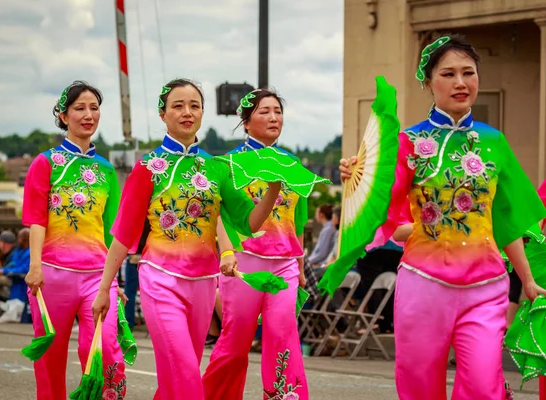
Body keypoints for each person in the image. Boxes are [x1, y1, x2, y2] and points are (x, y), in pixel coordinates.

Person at [340, 34, 546, 400]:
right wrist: (361, 178)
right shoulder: (407, 142)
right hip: (424, 283)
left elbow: (506, 219)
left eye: (468, 73)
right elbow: (386, 209)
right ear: (428, 81)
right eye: (448, 74)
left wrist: (527, 281)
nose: (461, 82)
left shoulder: (494, 142)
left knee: (484, 386)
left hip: (486, 285)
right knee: (420, 386)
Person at [92, 79, 282, 400]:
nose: (187, 112)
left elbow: (248, 223)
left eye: (194, 105)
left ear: (203, 113)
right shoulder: (148, 168)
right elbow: (123, 236)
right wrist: (104, 291)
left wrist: (275, 188)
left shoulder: (217, 167)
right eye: (178, 105)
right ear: (163, 114)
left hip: (205, 285)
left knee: (177, 380)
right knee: (186, 375)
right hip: (160, 281)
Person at [202, 89, 309, 399]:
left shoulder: (291, 163)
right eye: (264, 111)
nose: (274, 117)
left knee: (281, 336)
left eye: (277, 111)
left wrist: (300, 267)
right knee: (235, 343)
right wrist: (226, 253)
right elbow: (218, 216)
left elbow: (297, 221)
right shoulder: (227, 164)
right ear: (246, 122)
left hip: (285, 266)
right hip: (243, 266)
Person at [23, 81, 126, 399]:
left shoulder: (107, 171)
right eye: (80, 108)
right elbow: (36, 219)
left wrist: (115, 281)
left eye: (94, 108)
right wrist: (35, 266)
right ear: (64, 116)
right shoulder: (46, 163)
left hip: (97, 277)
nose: (88, 114)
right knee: (51, 358)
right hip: (53, 275)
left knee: (102, 349)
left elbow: (113, 232)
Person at [0, 227, 31, 323]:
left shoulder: (30, 252)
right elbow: (13, 264)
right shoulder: (19, 251)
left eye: (20, 238)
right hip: (11, 274)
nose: (18, 240)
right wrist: (1, 270)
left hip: (18, 278)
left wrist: (5, 271)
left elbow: (24, 269)